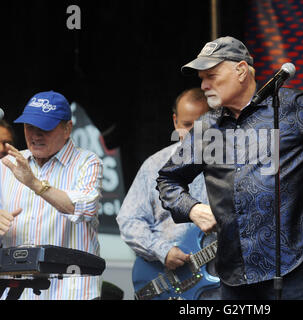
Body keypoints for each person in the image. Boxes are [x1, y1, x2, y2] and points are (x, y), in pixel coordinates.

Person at [156, 36, 303, 300]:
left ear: (240, 70)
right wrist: (192, 208)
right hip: (234, 271)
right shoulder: (206, 128)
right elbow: (168, 180)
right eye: (201, 78)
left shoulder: (290, 108)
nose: (204, 85)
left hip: (292, 262)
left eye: (211, 75)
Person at [0, 91, 103, 300]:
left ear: (67, 129)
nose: (35, 135)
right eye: (30, 127)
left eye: (44, 128)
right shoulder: (7, 164)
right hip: (17, 291)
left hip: (71, 290)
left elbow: (85, 209)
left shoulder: (88, 162)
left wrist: (35, 184)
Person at [116, 88, 218, 299]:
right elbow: (129, 220)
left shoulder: (232, 166)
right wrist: (163, 251)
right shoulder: (154, 165)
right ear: (175, 122)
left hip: (219, 281)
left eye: (200, 126)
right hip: (164, 276)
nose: (193, 134)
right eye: (187, 125)